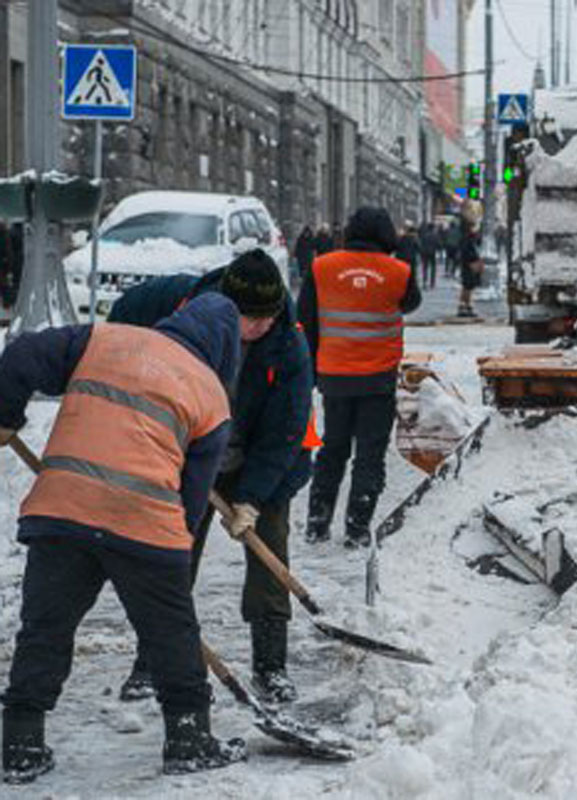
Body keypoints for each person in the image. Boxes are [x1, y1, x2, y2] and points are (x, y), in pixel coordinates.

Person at [0, 294, 246, 784]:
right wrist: (171, 560)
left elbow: (22, 353)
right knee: (172, 634)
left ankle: (20, 743)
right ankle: (189, 737)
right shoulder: (212, 396)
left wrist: (5, 415)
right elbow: (191, 500)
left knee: (45, 628)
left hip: (63, 510)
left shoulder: (101, 339)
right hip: (144, 523)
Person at [107, 249, 313, 704]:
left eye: (267, 317)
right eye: (248, 318)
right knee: (171, 555)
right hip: (191, 455)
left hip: (263, 461)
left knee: (269, 553)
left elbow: (284, 432)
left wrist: (252, 499)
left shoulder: (288, 344)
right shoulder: (179, 303)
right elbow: (119, 319)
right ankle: (152, 659)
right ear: (224, 303)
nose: (257, 328)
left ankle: (271, 663)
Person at [299, 207, 421, 547]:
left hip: (334, 377)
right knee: (370, 455)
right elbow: (411, 303)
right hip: (378, 379)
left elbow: (304, 318)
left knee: (333, 449)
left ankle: (317, 522)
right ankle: (357, 528)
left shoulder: (321, 268)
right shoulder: (398, 272)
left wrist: (309, 370)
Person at [458, 225, 484, 318]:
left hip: (468, 266)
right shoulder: (468, 242)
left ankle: (465, 306)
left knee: (468, 287)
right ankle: (465, 307)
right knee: (468, 287)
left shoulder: (468, 241)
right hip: (468, 267)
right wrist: (474, 262)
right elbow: (468, 255)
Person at [395, 221, 423, 288]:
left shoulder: (401, 237)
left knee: (403, 272)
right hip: (411, 258)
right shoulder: (414, 238)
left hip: (402, 258)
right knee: (412, 273)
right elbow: (419, 248)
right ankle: (412, 285)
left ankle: (403, 283)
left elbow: (396, 245)